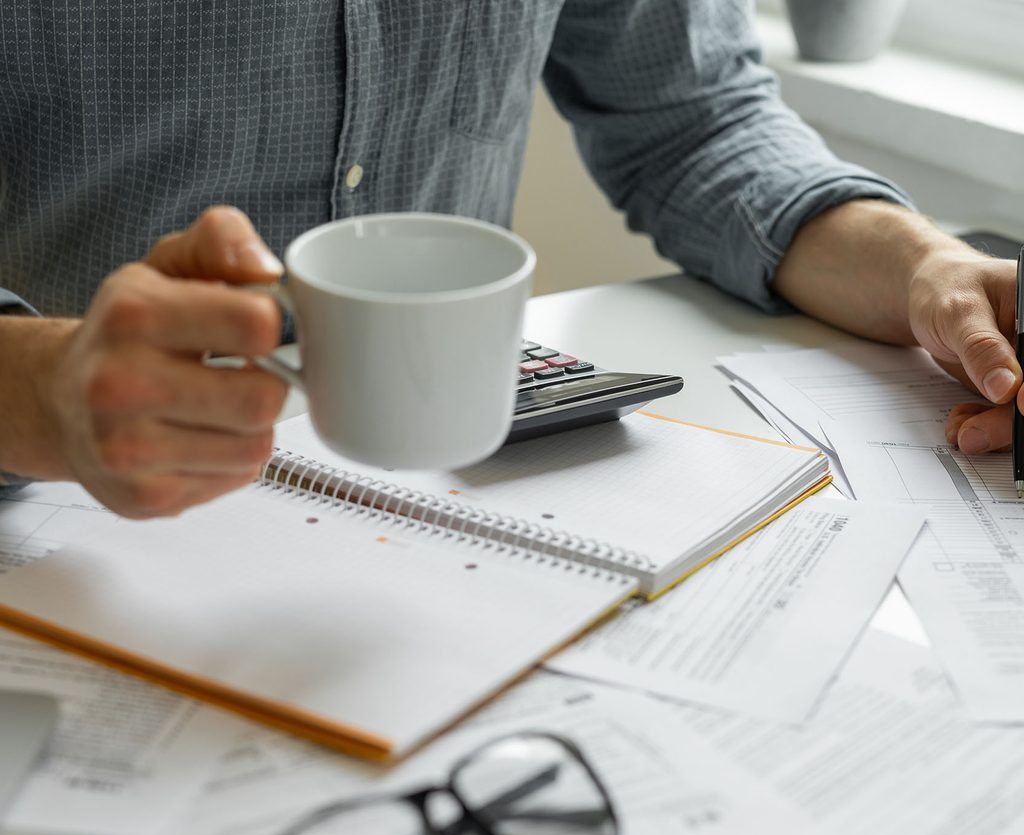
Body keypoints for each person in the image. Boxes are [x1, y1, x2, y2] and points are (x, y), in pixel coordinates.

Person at [0, 2, 1015, 518]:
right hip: (55, 528)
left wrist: (923, 269)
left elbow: (692, 117)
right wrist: (40, 395)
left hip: (465, 527)